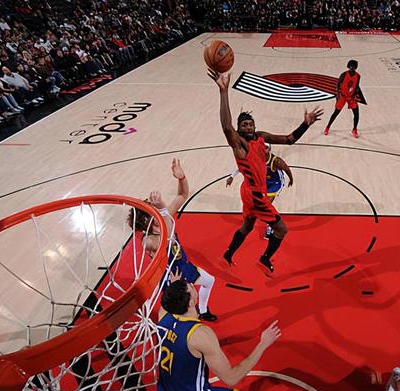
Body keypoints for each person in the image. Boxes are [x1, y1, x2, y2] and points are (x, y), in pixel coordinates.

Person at [208, 68, 323, 274]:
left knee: (247, 226)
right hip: (255, 195)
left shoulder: (260, 137)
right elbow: (226, 127)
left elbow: (289, 139)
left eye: (251, 124)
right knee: (281, 229)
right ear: (239, 129)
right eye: (244, 125)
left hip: (248, 190)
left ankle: (228, 254)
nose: (248, 127)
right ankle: (265, 258)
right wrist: (223, 92)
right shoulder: (240, 144)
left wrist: (305, 124)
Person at [157, 270, 281, 391]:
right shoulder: (200, 334)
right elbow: (231, 378)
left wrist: (175, 286)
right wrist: (262, 344)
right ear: (191, 302)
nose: (193, 284)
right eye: (191, 287)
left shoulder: (163, 315)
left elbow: (169, 302)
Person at [127, 159, 218, 321]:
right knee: (177, 309)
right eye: (151, 212)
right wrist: (162, 208)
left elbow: (182, 195)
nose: (155, 212)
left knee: (209, 280)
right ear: (145, 222)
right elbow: (168, 239)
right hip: (170, 276)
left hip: (183, 265)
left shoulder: (163, 217)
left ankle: (203, 310)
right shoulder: (148, 241)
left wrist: (182, 179)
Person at [226, 142, 294, 239]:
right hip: (263, 183)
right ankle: (254, 217)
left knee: (267, 205)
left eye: (266, 148)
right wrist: (232, 176)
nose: (263, 149)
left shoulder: (276, 161)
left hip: (276, 183)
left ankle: (270, 227)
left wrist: (291, 179)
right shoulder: (255, 158)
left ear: (269, 149)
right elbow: (242, 166)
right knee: (256, 202)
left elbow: (286, 169)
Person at [324, 59, 363, 138]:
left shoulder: (358, 76)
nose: (352, 67)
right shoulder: (344, 74)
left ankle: (354, 129)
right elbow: (338, 84)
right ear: (348, 66)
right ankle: (327, 127)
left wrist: (356, 94)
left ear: (356, 67)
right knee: (336, 113)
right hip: (343, 96)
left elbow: (356, 86)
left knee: (356, 114)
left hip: (351, 97)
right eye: (351, 66)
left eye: (353, 66)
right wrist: (337, 94)